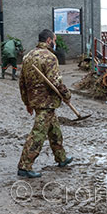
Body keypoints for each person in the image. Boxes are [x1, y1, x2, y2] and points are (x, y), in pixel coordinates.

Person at [17, 28, 72, 178]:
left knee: (54, 130)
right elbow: (55, 82)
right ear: (48, 40)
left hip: (35, 101)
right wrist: (67, 95)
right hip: (46, 102)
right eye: (54, 40)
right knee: (38, 134)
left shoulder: (28, 56)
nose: (55, 43)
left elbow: (21, 82)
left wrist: (27, 102)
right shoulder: (50, 57)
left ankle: (61, 158)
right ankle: (24, 166)